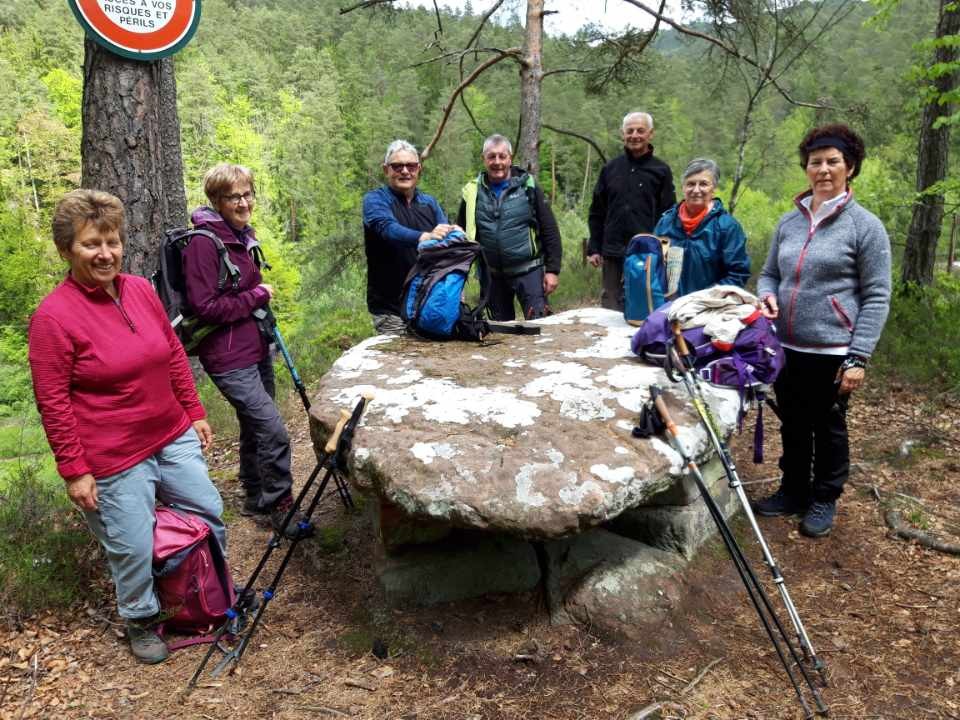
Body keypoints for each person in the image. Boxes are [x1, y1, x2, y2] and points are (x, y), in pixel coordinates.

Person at [28, 190, 226, 665]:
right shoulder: (53, 318)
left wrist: (194, 410)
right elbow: (53, 402)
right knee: (132, 545)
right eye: (91, 244)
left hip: (171, 431)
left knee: (209, 512)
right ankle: (141, 617)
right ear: (66, 250)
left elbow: (172, 353)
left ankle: (212, 591)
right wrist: (75, 470)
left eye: (112, 242)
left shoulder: (139, 289)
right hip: (113, 454)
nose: (105, 254)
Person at [754, 123, 891, 538]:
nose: (824, 169)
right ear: (806, 168)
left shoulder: (865, 226)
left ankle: (824, 497)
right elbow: (768, 274)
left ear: (850, 167)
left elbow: (877, 295)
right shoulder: (788, 223)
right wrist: (767, 295)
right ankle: (793, 490)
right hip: (786, 345)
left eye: (833, 161)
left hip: (833, 349)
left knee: (828, 427)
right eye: (816, 162)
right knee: (792, 422)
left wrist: (858, 356)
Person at [184, 163, 311, 540]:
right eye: (232, 197)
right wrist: (256, 296)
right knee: (273, 430)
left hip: (254, 346)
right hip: (227, 357)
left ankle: (256, 496)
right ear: (216, 200)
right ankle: (280, 505)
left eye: (246, 194)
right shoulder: (203, 244)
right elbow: (204, 306)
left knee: (255, 426)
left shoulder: (239, 236)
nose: (242, 203)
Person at [455, 134, 562, 320]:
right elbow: (461, 233)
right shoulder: (472, 192)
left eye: (502, 156)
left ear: (510, 158)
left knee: (539, 327)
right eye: (491, 157)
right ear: (484, 159)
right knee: (500, 332)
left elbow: (549, 229)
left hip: (529, 271)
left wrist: (553, 270)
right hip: (492, 276)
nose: (497, 162)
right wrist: (457, 275)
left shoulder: (528, 186)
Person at [362, 140, 456, 333]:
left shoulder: (429, 203)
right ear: (386, 169)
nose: (405, 171)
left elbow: (446, 239)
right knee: (400, 354)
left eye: (411, 166)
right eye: (397, 166)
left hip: (429, 307)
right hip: (391, 312)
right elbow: (387, 228)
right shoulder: (375, 200)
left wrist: (455, 233)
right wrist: (423, 236)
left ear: (418, 169)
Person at [587, 111, 676, 310]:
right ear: (623, 134)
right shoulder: (610, 169)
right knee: (610, 307)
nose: (634, 135)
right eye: (630, 131)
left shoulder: (661, 171)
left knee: (643, 304)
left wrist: (665, 250)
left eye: (640, 130)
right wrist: (594, 247)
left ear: (650, 134)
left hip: (647, 253)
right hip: (612, 251)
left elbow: (668, 214)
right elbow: (597, 211)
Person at [653, 158, 750, 297]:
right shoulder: (666, 222)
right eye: (691, 184)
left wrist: (704, 298)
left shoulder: (727, 226)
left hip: (707, 305)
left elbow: (738, 274)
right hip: (667, 304)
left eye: (703, 184)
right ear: (683, 187)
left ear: (713, 189)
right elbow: (653, 266)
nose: (696, 190)